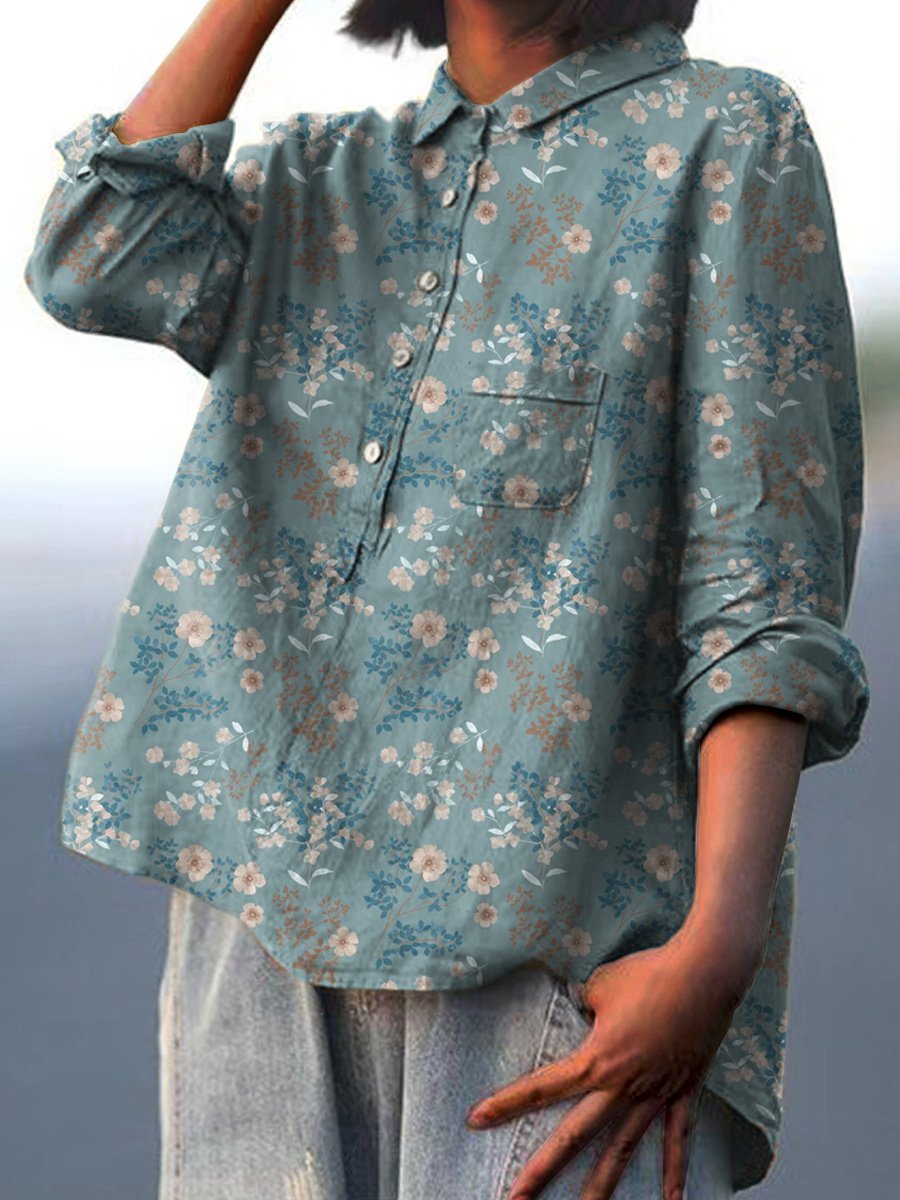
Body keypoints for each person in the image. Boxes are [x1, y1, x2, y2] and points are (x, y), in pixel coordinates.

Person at [23, 1, 870, 1197]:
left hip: (565, 926)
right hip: (259, 922)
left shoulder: (723, 134)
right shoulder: (318, 176)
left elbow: (762, 576)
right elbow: (93, 255)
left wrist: (717, 947)